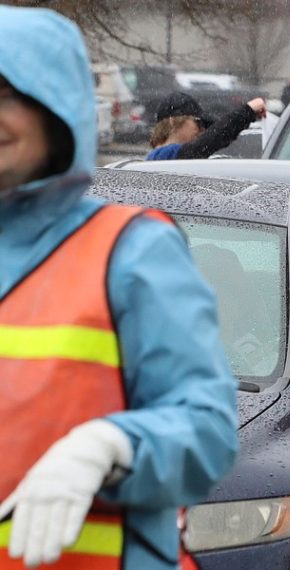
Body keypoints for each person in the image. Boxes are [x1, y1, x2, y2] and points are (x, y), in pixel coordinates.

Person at [0, 6, 239, 568]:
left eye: (6, 93)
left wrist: (108, 447)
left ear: (55, 106)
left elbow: (206, 429)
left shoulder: (129, 251)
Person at [145, 91, 266, 160]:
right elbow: (212, 139)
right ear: (173, 121)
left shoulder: (158, 159)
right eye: (198, 123)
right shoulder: (163, 156)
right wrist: (248, 110)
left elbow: (215, 136)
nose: (202, 130)